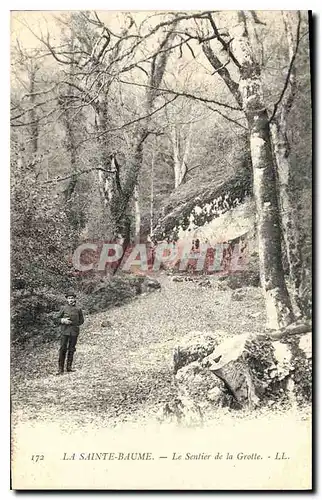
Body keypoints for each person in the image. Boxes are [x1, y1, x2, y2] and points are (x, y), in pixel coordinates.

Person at [55, 290, 84, 375]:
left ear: (75, 299)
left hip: (74, 332)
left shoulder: (78, 309)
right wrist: (62, 320)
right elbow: (56, 319)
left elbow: (82, 320)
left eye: (72, 298)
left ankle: (69, 367)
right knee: (62, 349)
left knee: (71, 349)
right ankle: (60, 369)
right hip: (64, 332)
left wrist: (75, 324)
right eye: (69, 298)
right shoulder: (63, 308)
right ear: (67, 300)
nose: (71, 300)